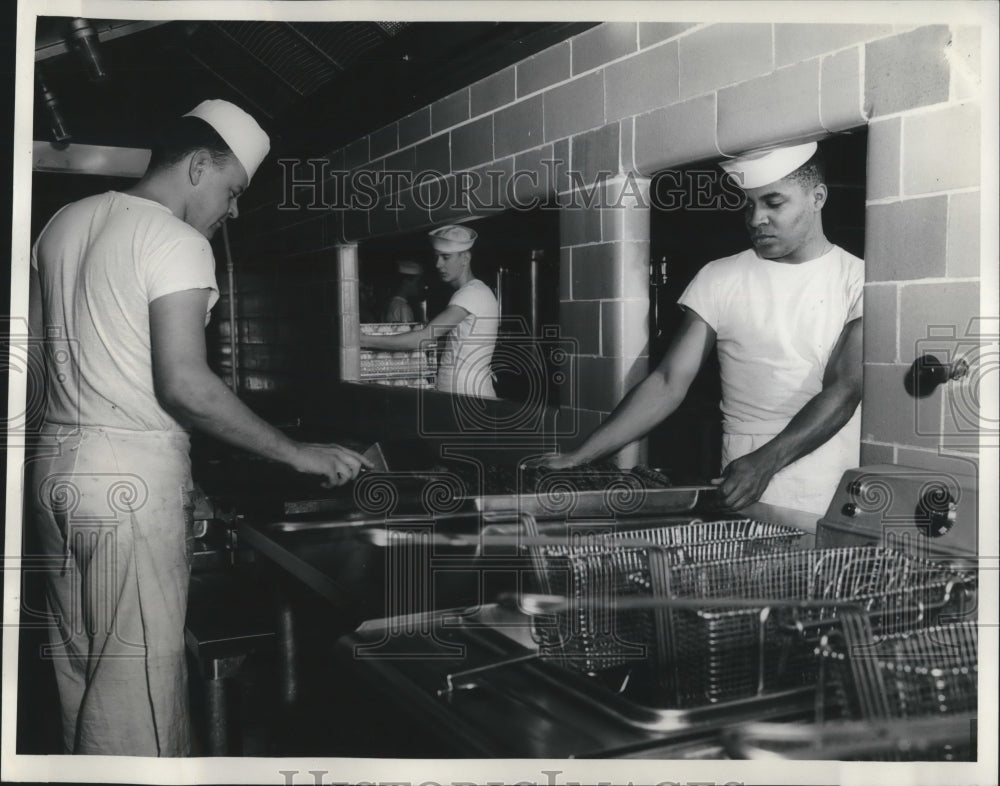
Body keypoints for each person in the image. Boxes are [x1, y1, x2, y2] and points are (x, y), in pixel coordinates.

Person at [27, 99, 371, 756]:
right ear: (199, 164)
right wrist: (294, 453)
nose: (232, 210)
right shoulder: (175, 240)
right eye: (232, 190)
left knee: (80, 672)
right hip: (128, 487)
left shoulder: (61, 225)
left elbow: (39, 365)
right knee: (139, 693)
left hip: (55, 474)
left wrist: (185, 484)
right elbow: (182, 383)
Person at [533, 141, 862, 515]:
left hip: (826, 472)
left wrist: (766, 463)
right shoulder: (719, 276)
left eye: (773, 203)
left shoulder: (859, 279)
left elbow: (845, 390)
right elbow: (668, 382)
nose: (756, 219)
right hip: (740, 474)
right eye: (749, 204)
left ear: (817, 197)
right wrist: (580, 456)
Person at [361, 224, 499, 398]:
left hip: (466, 392)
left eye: (445, 257)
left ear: (465, 258)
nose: (438, 264)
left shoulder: (471, 294)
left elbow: (424, 338)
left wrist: (364, 340)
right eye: (436, 257)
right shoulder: (475, 292)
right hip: (464, 390)